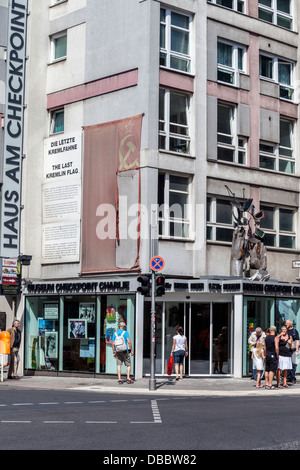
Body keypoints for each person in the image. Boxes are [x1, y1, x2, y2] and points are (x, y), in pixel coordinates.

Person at [286, 319, 299, 385]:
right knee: (287, 364)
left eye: (287, 323)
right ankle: (287, 377)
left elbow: (297, 341)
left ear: (291, 324)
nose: (286, 324)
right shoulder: (285, 331)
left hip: (293, 350)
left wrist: (297, 350)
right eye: (286, 323)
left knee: (293, 364)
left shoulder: (294, 331)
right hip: (286, 350)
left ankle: (292, 377)